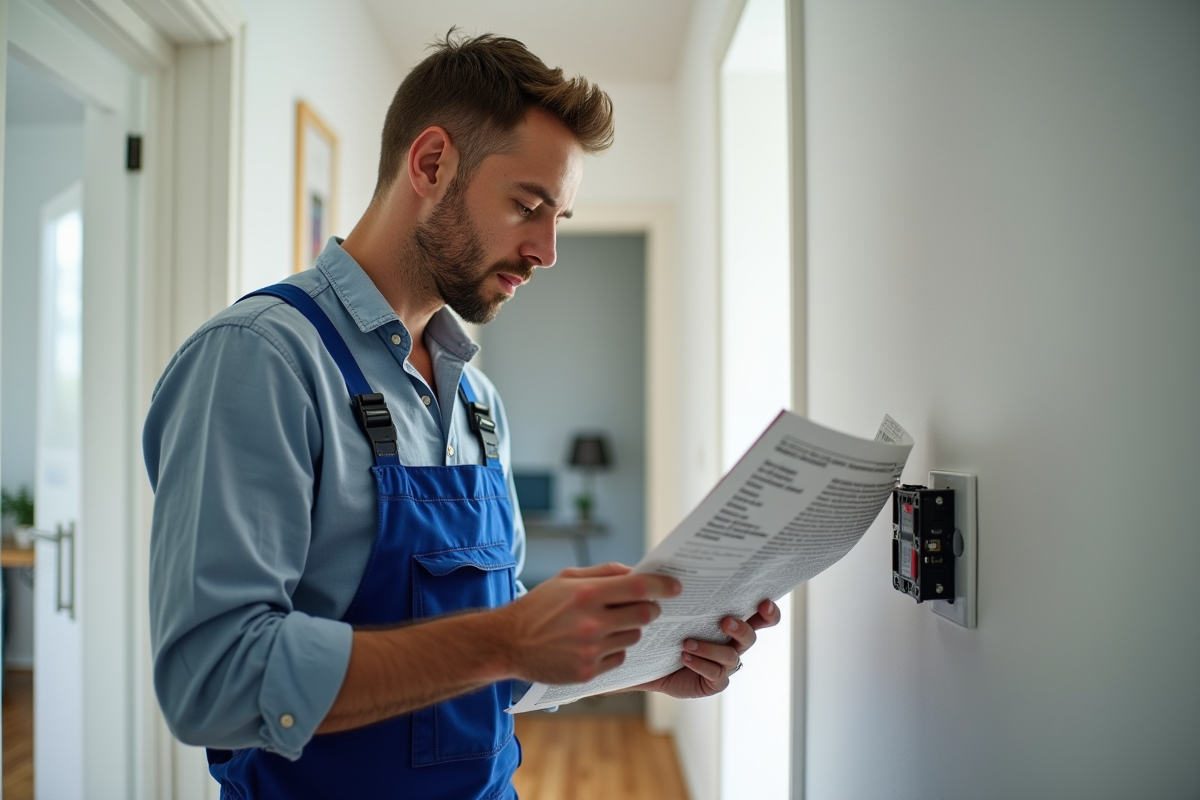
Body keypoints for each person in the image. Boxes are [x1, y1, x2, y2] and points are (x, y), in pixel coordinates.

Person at [144, 31, 781, 800]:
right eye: (528, 205)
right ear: (432, 163)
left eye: (560, 219)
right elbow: (210, 683)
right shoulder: (259, 361)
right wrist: (507, 636)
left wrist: (636, 662)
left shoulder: (478, 404)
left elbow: (485, 668)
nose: (546, 251)